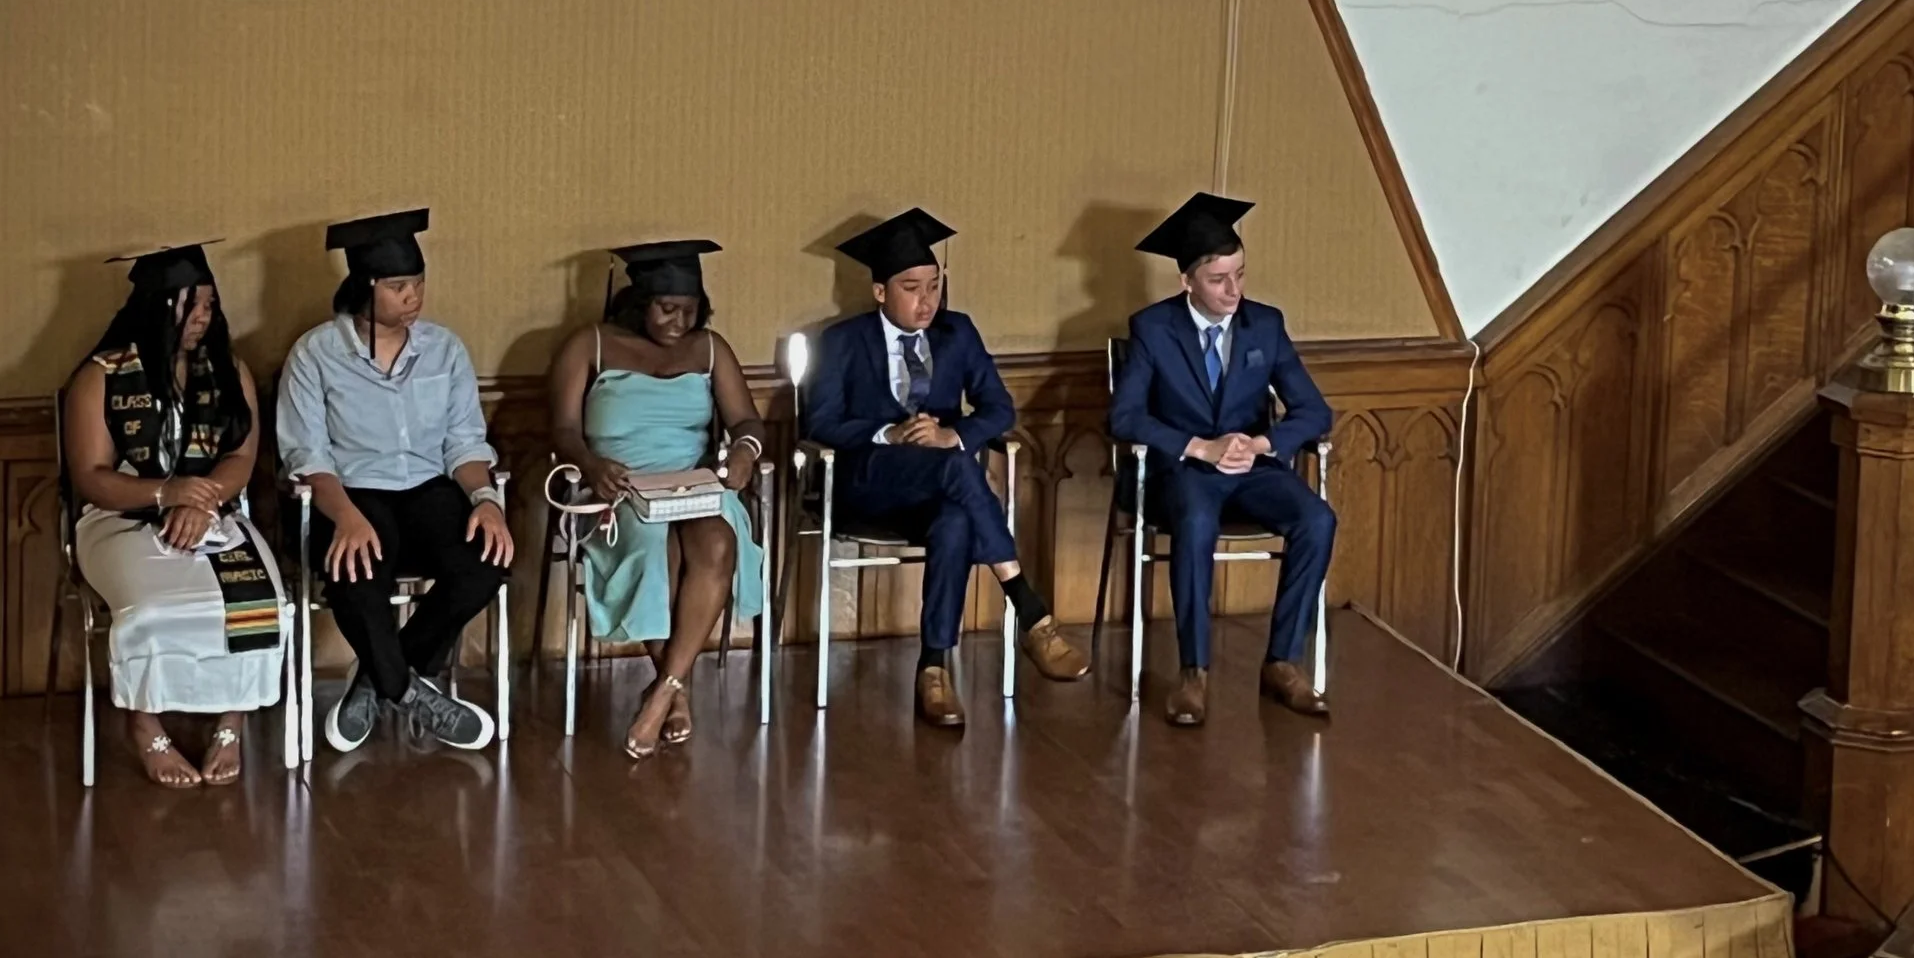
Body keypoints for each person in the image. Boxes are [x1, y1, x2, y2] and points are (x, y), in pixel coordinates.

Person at [803, 207, 1089, 727]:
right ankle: (1029, 610)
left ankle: (933, 670)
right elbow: (820, 421)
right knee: (959, 471)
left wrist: (952, 435)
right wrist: (886, 433)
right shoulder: (843, 340)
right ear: (880, 291)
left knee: (955, 519)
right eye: (912, 288)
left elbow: (1000, 409)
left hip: (936, 487)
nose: (927, 300)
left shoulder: (958, 333)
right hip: (868, 482)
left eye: (934, 286)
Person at [278, 209, 511, 754]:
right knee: (355, 570)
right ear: (366, 286)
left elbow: (463, 442)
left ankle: (379, 679)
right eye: (399, 286)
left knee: (485, 561)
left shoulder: (444, 348)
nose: (413, 298)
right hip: (352, 493)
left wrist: (485, 499)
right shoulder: (315, 353)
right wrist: (346, 517)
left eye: (419, 284)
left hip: (428, 488)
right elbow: (306, 453)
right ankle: (409, 692)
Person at [64, 244, 288, 787]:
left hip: (213, 513)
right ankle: (146, 725)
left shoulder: (227, 370)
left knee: (259, 603)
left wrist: (197, 500)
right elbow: (91, 476)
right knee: (152, 609)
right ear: (156, 306)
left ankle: (231, 719)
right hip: (119, 519)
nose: (202, 317)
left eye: (209, 304)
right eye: (190, 305)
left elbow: (240, 458)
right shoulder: (103, 375)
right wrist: (168, 493)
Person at [1108, 193, 1334, 727]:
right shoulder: (1153, 328)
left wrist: (1261, 445)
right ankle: (1194, 672)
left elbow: (1315, 410)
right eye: (1218, 280)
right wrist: (1198, 446)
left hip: (1252, 467)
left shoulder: (1265, 325)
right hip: (1185, 471)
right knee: (1195, 520)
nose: (1234, 291)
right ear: (1187, 281)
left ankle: (1282, 663)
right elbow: (1125, 417)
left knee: (1317, 519)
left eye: (1240, 275)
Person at [546, 240, 768, 757]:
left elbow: (747, 420)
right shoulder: (591, 344)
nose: (679, 321)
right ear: (639, 302)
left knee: (717, 543)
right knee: (654, 550)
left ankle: (664, 692)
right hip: (620, 487)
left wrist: (745, 451)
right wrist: (592, 465)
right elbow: (562, 429)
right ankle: (675, 690)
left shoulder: (709, 348)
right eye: (667, 308)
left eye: (690, 310)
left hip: (693, 483)